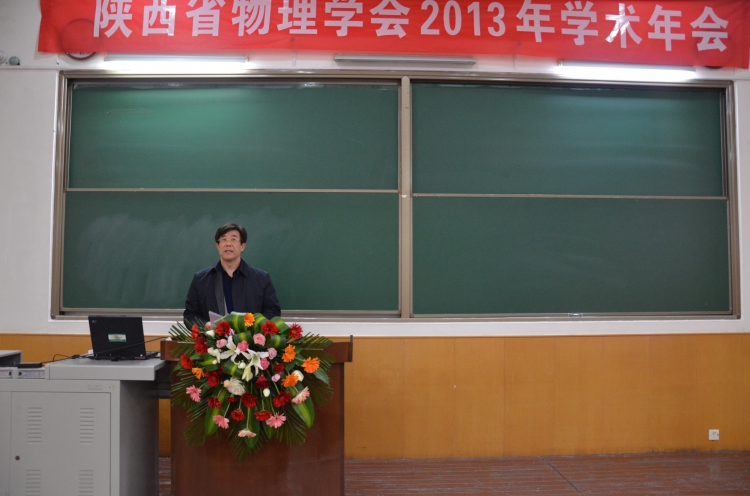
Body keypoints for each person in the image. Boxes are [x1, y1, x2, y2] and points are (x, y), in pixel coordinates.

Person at [184, 223, 281, 325]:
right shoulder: (201, 279)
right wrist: (205, 325)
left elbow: (273, 311)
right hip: (213, 334)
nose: (228, 244)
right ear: (218, 246)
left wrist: (255, 326)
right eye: (224, 239)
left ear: (242, 246)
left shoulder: (261, 278)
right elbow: (190, 314)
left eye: (233, 239)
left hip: (251, 335)